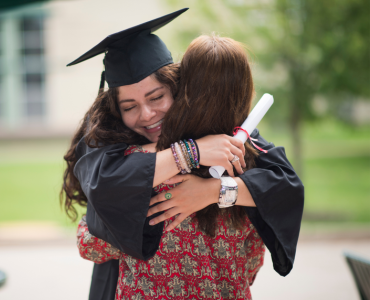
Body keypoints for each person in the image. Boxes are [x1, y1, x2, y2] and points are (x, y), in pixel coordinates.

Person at [62, 8, 303, 300]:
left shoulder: (229, 137)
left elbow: (284, 184)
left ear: (178, 87)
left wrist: (214, 190)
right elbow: (101, 205)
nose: (147, 115)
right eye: (129, 107)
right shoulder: (106, 140)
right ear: (115, 110)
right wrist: (191, 152)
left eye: (157, 97)